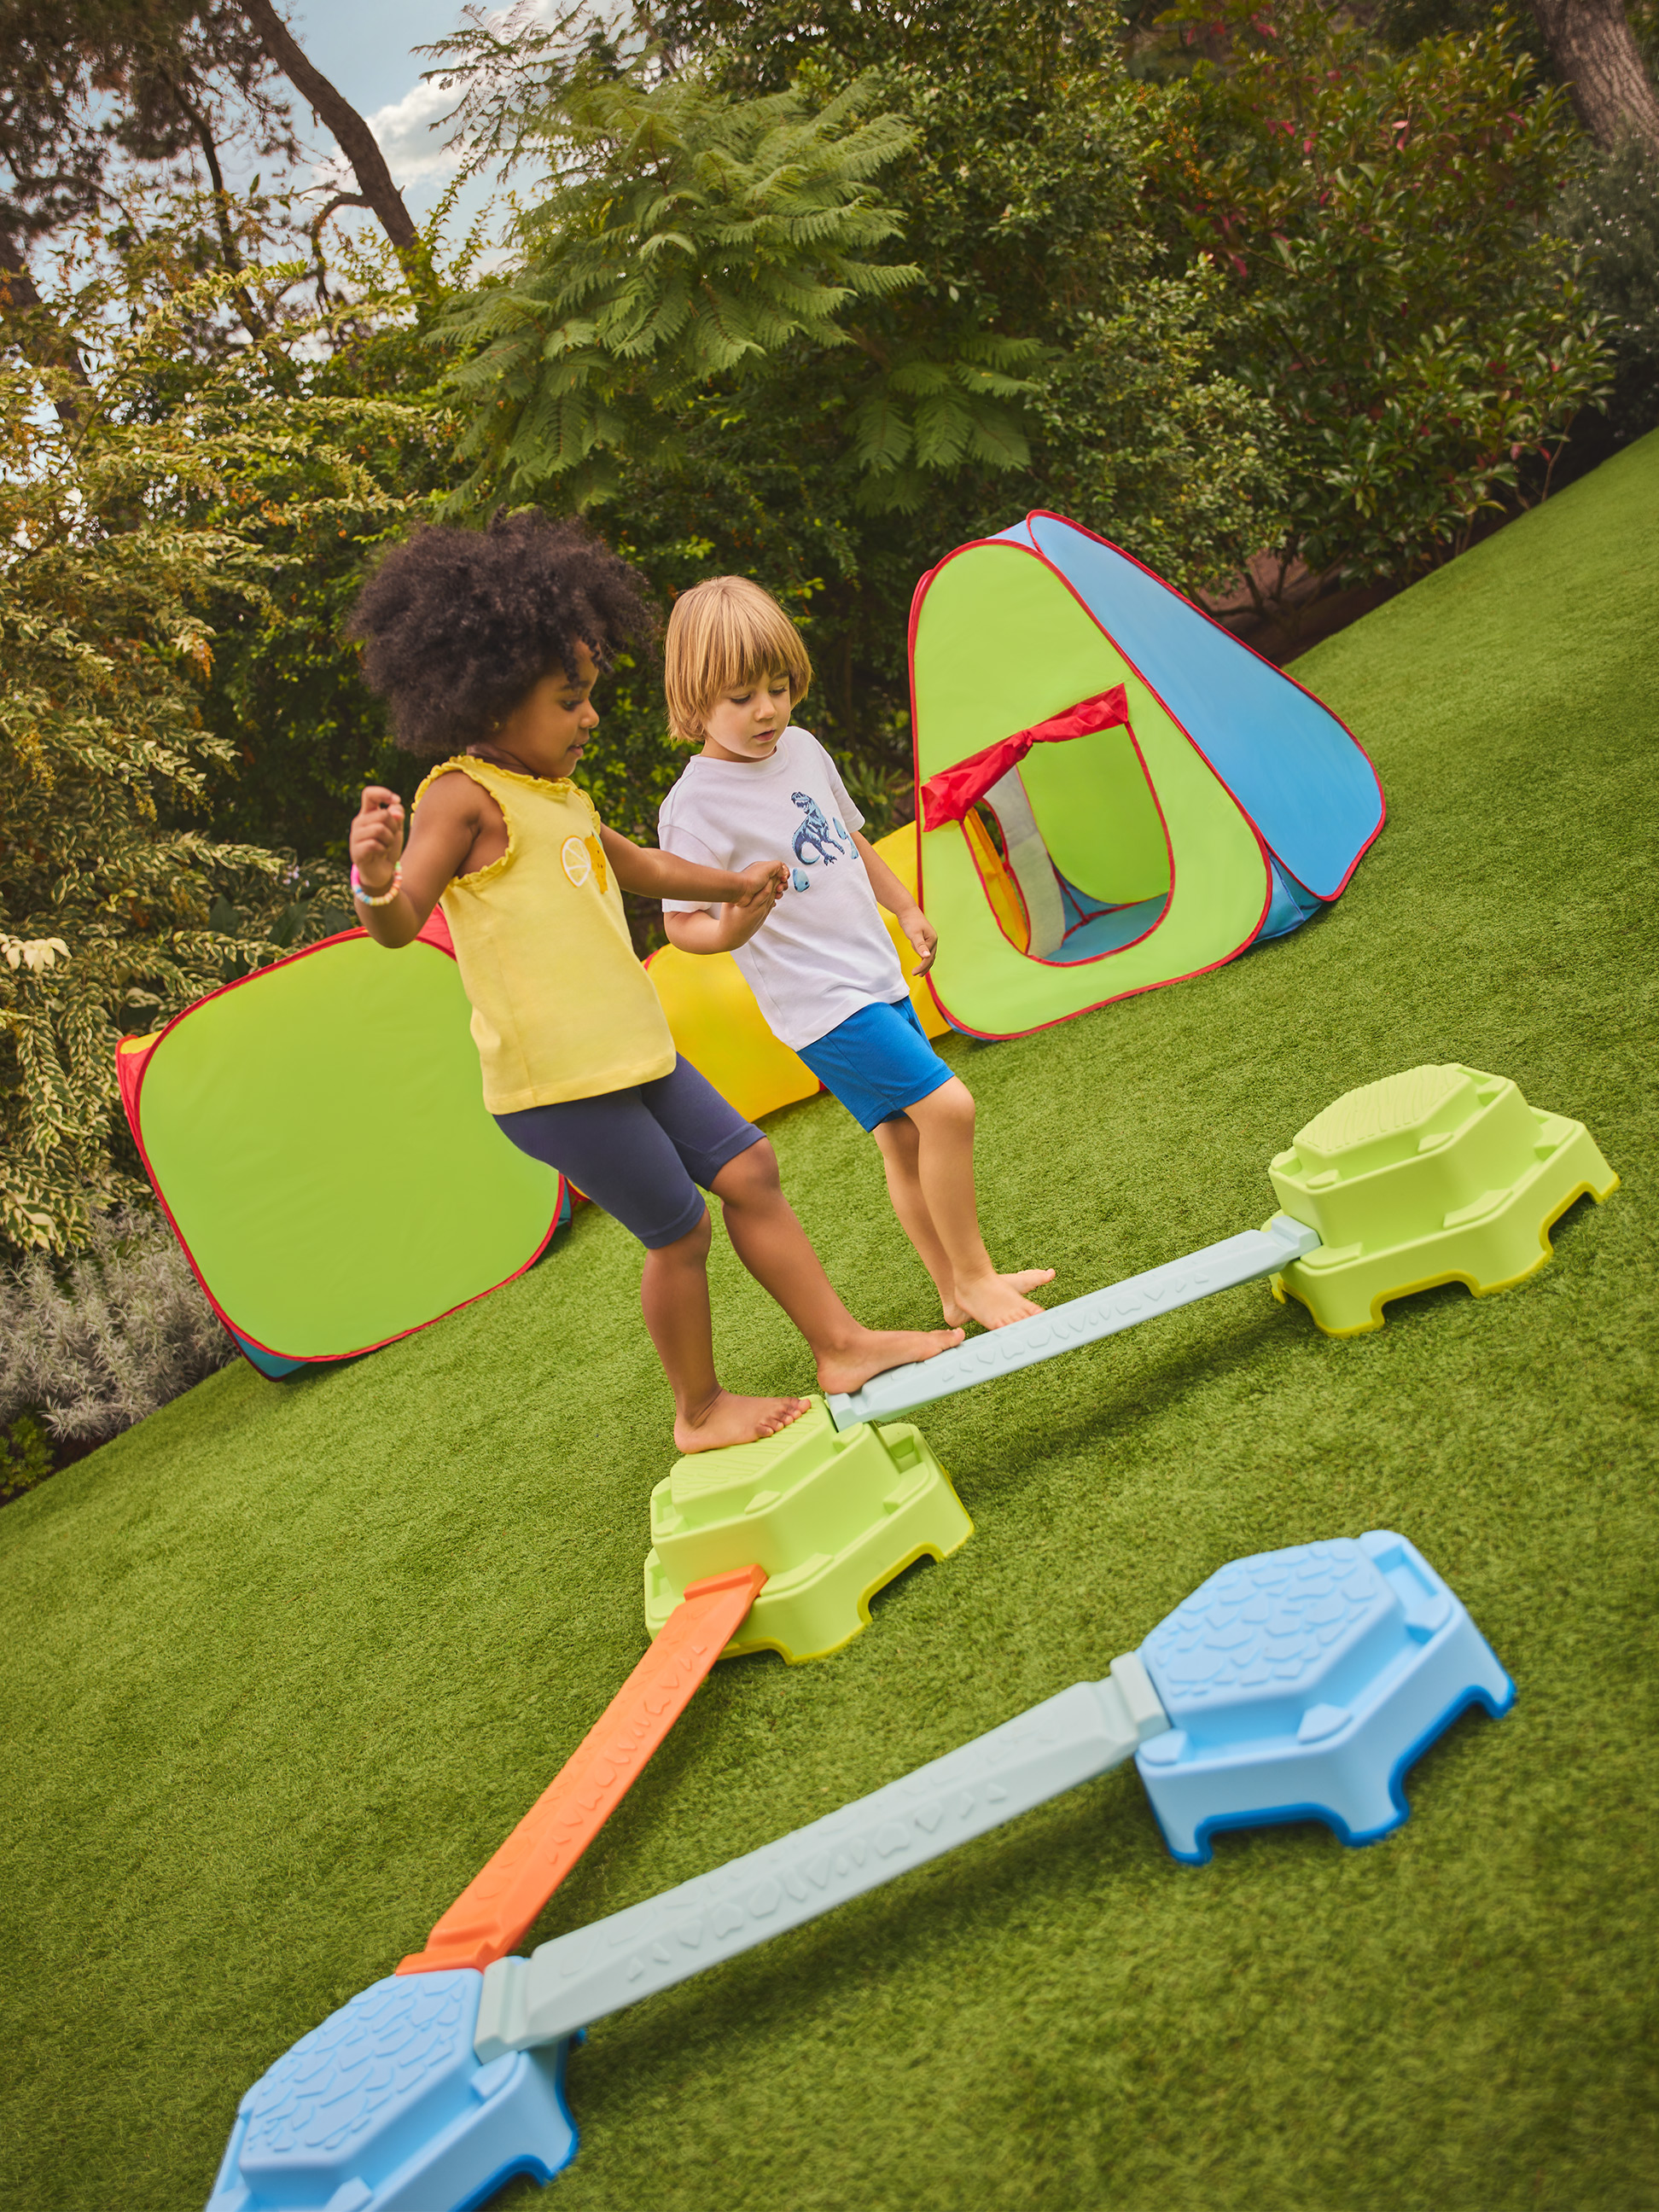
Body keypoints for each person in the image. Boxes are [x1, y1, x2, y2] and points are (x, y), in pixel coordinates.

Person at [342, 515, 962, 1454]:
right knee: (678, 1229)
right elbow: (397, 920)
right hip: (559, 1082)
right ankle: (700, 1411)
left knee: (751, 1170)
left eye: (587, 696)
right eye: (570, 700)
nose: (590, 716)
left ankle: (841, 1347)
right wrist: (376, 880)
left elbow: (644, 868)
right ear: (493, 701)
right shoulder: (460, 796)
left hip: (632, 1051)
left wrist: (738, 881)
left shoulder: (558, 793)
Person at [656, 575, 1054, 1332]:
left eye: (778, 687)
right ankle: (974, 1280)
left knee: (903, 1140)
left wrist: (904, 908)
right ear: (695, 700)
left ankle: (954, 1288)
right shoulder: (695, 807)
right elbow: (683, 926)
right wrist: (734, 927)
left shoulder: (802, 748)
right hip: (821, 1006)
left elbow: (848, 840)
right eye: (741, 697)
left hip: (873, 974)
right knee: (949, 1107)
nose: (767, 710)